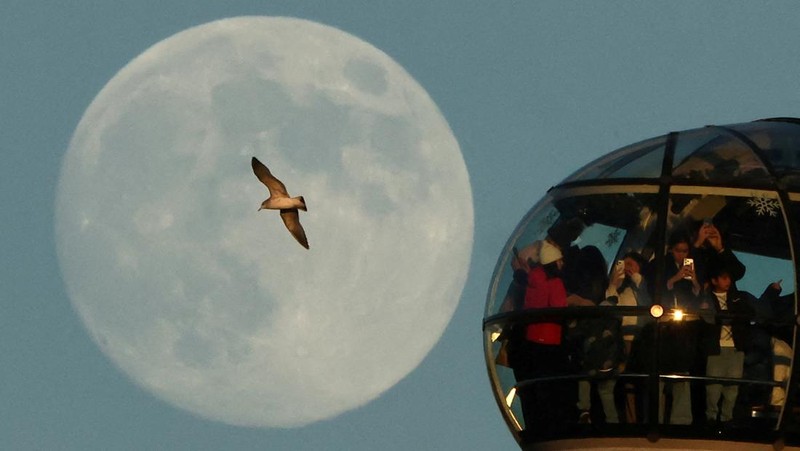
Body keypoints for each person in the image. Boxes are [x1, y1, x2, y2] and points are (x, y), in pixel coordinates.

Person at [511, 239, 570, 434]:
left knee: (536, 384)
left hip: (532, 338)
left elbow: (524, 282)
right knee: (551, 384)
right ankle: (555, 420)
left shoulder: (533, 279)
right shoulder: (555, 283)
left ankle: (538, 421)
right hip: (551, 340)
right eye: (560, 261)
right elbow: (560, 308)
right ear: (554, 263)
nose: (562, 264)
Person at [566, 246, 622, 424]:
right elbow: (610, 310)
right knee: (606, 390)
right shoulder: (603, 285)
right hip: (606, 344)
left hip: (584, 343)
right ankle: (612, 421)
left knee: (584, 377)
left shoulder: (576, 285)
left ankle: (584, 411)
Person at [701, 265, 757, 425]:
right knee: (713, 389)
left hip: (735, 347)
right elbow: (707, 319)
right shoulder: (706, 298)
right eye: (724, 278)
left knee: (732, 389)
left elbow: (750, 313)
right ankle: (710, 419)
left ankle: (727, 419)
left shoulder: (737, 297)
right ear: (714, 280)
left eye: (729, 278)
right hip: (715, 348)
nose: (728, 281)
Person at [605, 251, 651, 423]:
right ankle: (629, 420)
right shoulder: (621, 290)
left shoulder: (644, 287)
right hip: (622, 340)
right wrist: (613, 286)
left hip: (641, 340)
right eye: (624, 264)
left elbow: (648, 302)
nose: (627, 268)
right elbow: (610, 310)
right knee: (625, 382)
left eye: (631, 264)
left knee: (643, 382)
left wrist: (637, 277)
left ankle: (645, 420)